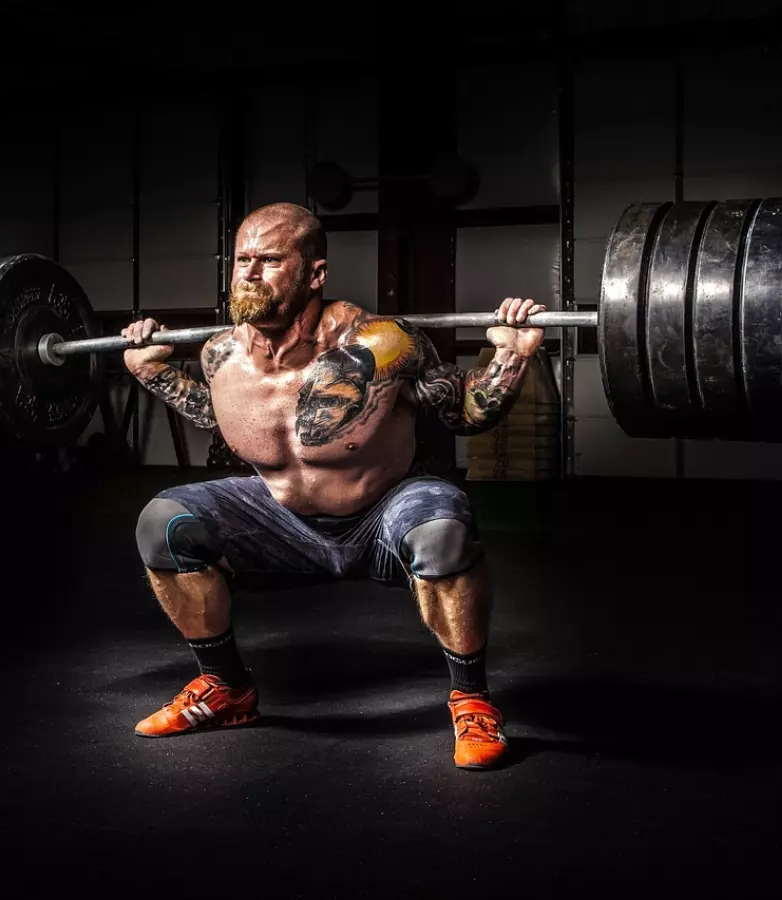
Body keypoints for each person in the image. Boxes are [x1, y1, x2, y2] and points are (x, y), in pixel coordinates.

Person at [121, 202, 545, 769]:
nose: (249, 273)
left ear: (315, 274)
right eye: (242, 259)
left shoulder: (386, 344)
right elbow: (218, 417)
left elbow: (464, 410)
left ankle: (471, 699)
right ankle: (226, 688)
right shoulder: (220, 353)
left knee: (443, 527)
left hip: (380, 511)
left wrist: (511, 357)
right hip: (280, 519)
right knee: (163, 523)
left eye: (269, 260)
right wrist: (155, 374)